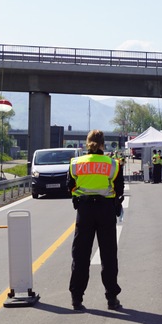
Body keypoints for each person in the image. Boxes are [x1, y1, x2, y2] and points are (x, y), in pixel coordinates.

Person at [68, 129, 124, 311]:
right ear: (103, 144)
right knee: (108, 255)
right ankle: (111, 298)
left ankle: (77, 298)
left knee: (80, 254)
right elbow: (119, 188)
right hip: (105, 210)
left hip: (84, 211)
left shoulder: (76, 163)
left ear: (87, 143)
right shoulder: (113, 164)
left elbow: (70, 185)